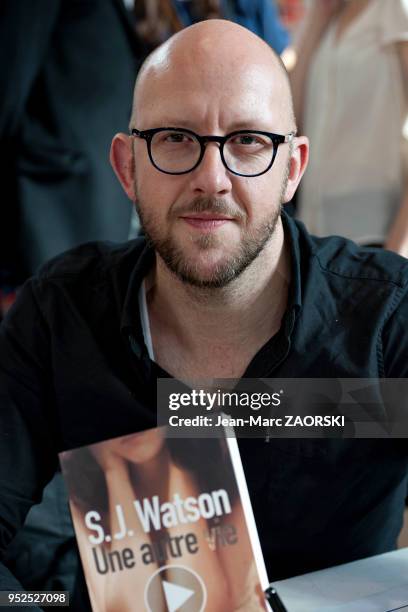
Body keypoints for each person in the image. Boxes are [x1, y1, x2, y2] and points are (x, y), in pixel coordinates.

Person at [0, 18, 407, 611]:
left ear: (293, 168)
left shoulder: (385, 322)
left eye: (247, 140)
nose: (210, 179)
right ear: (127, 166)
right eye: (175, 137)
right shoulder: (60, 316)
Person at [291, 0, 408, 252]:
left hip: (375, 231)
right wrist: (317, 22)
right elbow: (290, 117)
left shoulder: (395, 9)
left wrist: (398, 250)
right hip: (313, 228)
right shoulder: (327, 13)